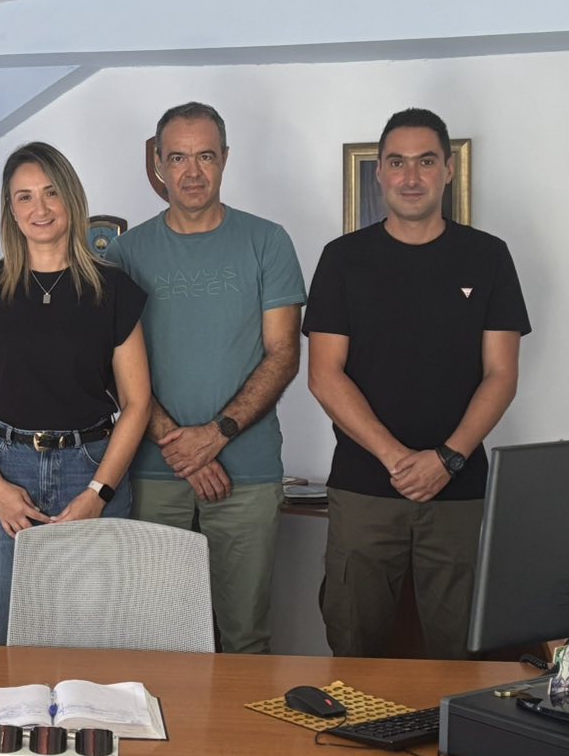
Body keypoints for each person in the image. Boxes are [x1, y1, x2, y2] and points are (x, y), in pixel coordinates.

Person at [303, 107, 530, 659]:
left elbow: (502, 375)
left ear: (448, 170)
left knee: (463, 653)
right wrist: (399, 459)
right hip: (363, 488)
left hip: (460, 490)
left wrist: (447, 459)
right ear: (378, 172)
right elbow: (324, 375)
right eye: (397, 162)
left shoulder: (488, 256)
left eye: (426, 162)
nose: (411, 176)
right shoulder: (342, 259)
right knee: (354, 646)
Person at [105, 102, 305, 654]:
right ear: (158, 164)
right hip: (151, 472)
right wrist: (182, 448)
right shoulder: (125, 254)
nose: (192, 172)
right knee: (155, 640)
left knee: (245, 639)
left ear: (225, 159)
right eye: (178, 158)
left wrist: (215, 435)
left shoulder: (267, 241)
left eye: (206, 157)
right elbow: (114, 366)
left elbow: (283, 355)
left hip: (248, 473)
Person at [0, 141, 152, 646]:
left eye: (51, 192)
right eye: (25, 197)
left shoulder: (112, 290)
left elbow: (137, 403)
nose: (40, 208)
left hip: (90, 467)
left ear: (71, 199)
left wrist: (98, 494)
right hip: (0, 469)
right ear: (11, 211)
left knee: (91, 638)